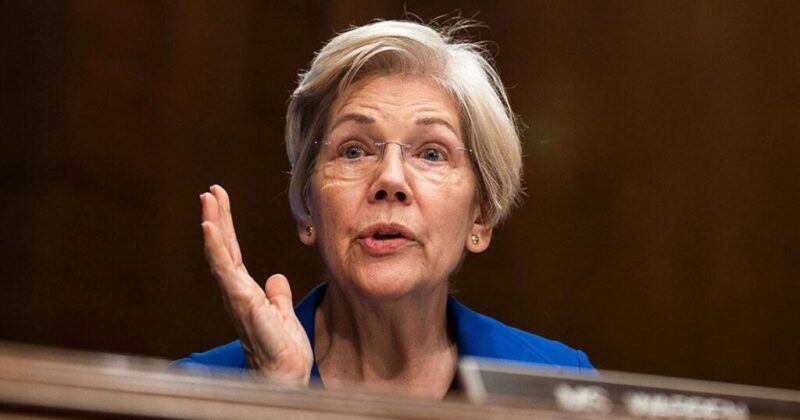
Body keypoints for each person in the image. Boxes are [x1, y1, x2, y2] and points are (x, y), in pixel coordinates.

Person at [175, 19, 594, 398]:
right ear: (306, 205)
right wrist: (277, 400)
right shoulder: (194, 391)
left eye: (431, 153)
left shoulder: (559, 386)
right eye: (353, 150)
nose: (390, 180)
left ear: (480, 216)